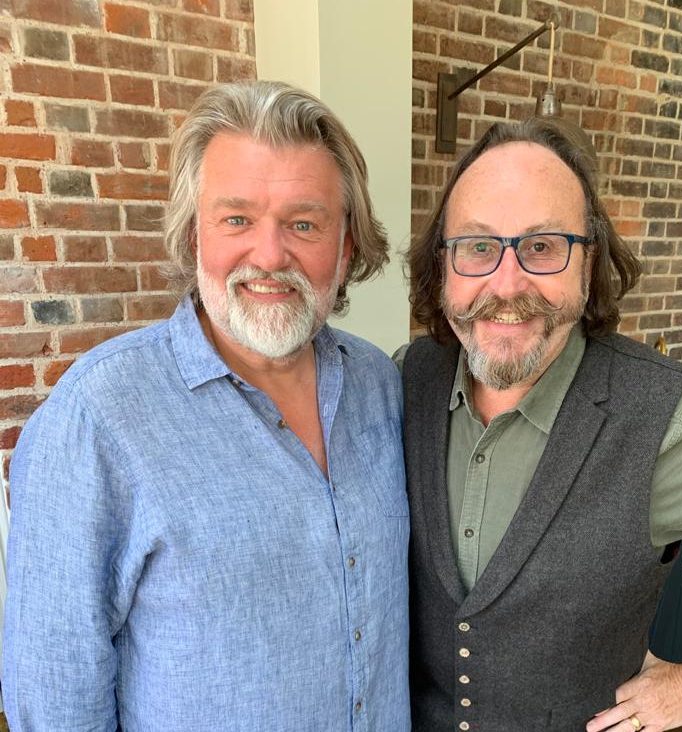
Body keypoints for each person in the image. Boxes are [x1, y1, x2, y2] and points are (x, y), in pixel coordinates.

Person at [3, 80, 409, 731]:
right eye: (237, 219)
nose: (270, 255)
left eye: (304, 223)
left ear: (348, 245)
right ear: (195, 236)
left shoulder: (381, 387)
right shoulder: (98, 418)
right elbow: (54, 694)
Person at [402, 118, 682, 732]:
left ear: (589, 258)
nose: (507, 284)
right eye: (478, 246)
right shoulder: (408, 380)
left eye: (543, 246)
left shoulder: (668, 418)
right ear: (444, 264)